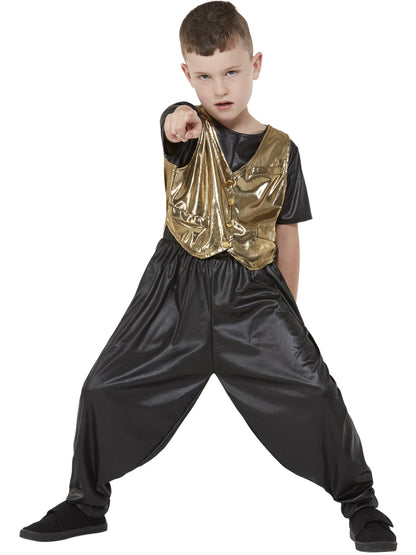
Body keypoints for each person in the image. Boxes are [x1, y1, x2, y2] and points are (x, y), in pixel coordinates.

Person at [19, 1, 397, 551]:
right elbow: (174, 123)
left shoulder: (284, 150)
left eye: (231, 71)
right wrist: (177, 116)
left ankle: (361, 503)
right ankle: (86, 502)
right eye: (203, 76)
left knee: (315, 389)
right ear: (186, 74)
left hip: (254, 295)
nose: (219, 88)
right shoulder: (187, 130)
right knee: (102, 386)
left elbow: (287, 234)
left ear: (256, 65)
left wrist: (286, 313)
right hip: (176, 292)